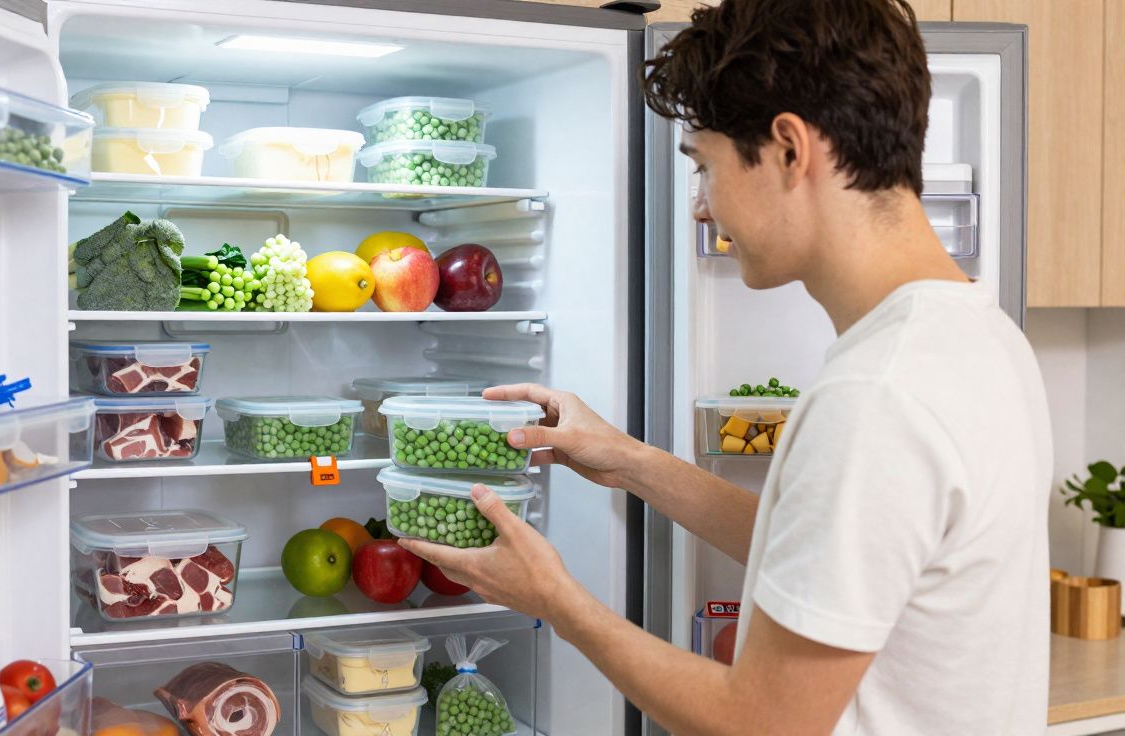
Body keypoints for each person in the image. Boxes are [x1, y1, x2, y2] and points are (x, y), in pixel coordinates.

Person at [399, 0, 1054, 733]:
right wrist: (630, 461)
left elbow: (761, 724)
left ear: (789, 151)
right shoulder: (977, 331)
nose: (701, 209)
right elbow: (831, 552)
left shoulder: (875, 395)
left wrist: (557, 601)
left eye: (706, 167)